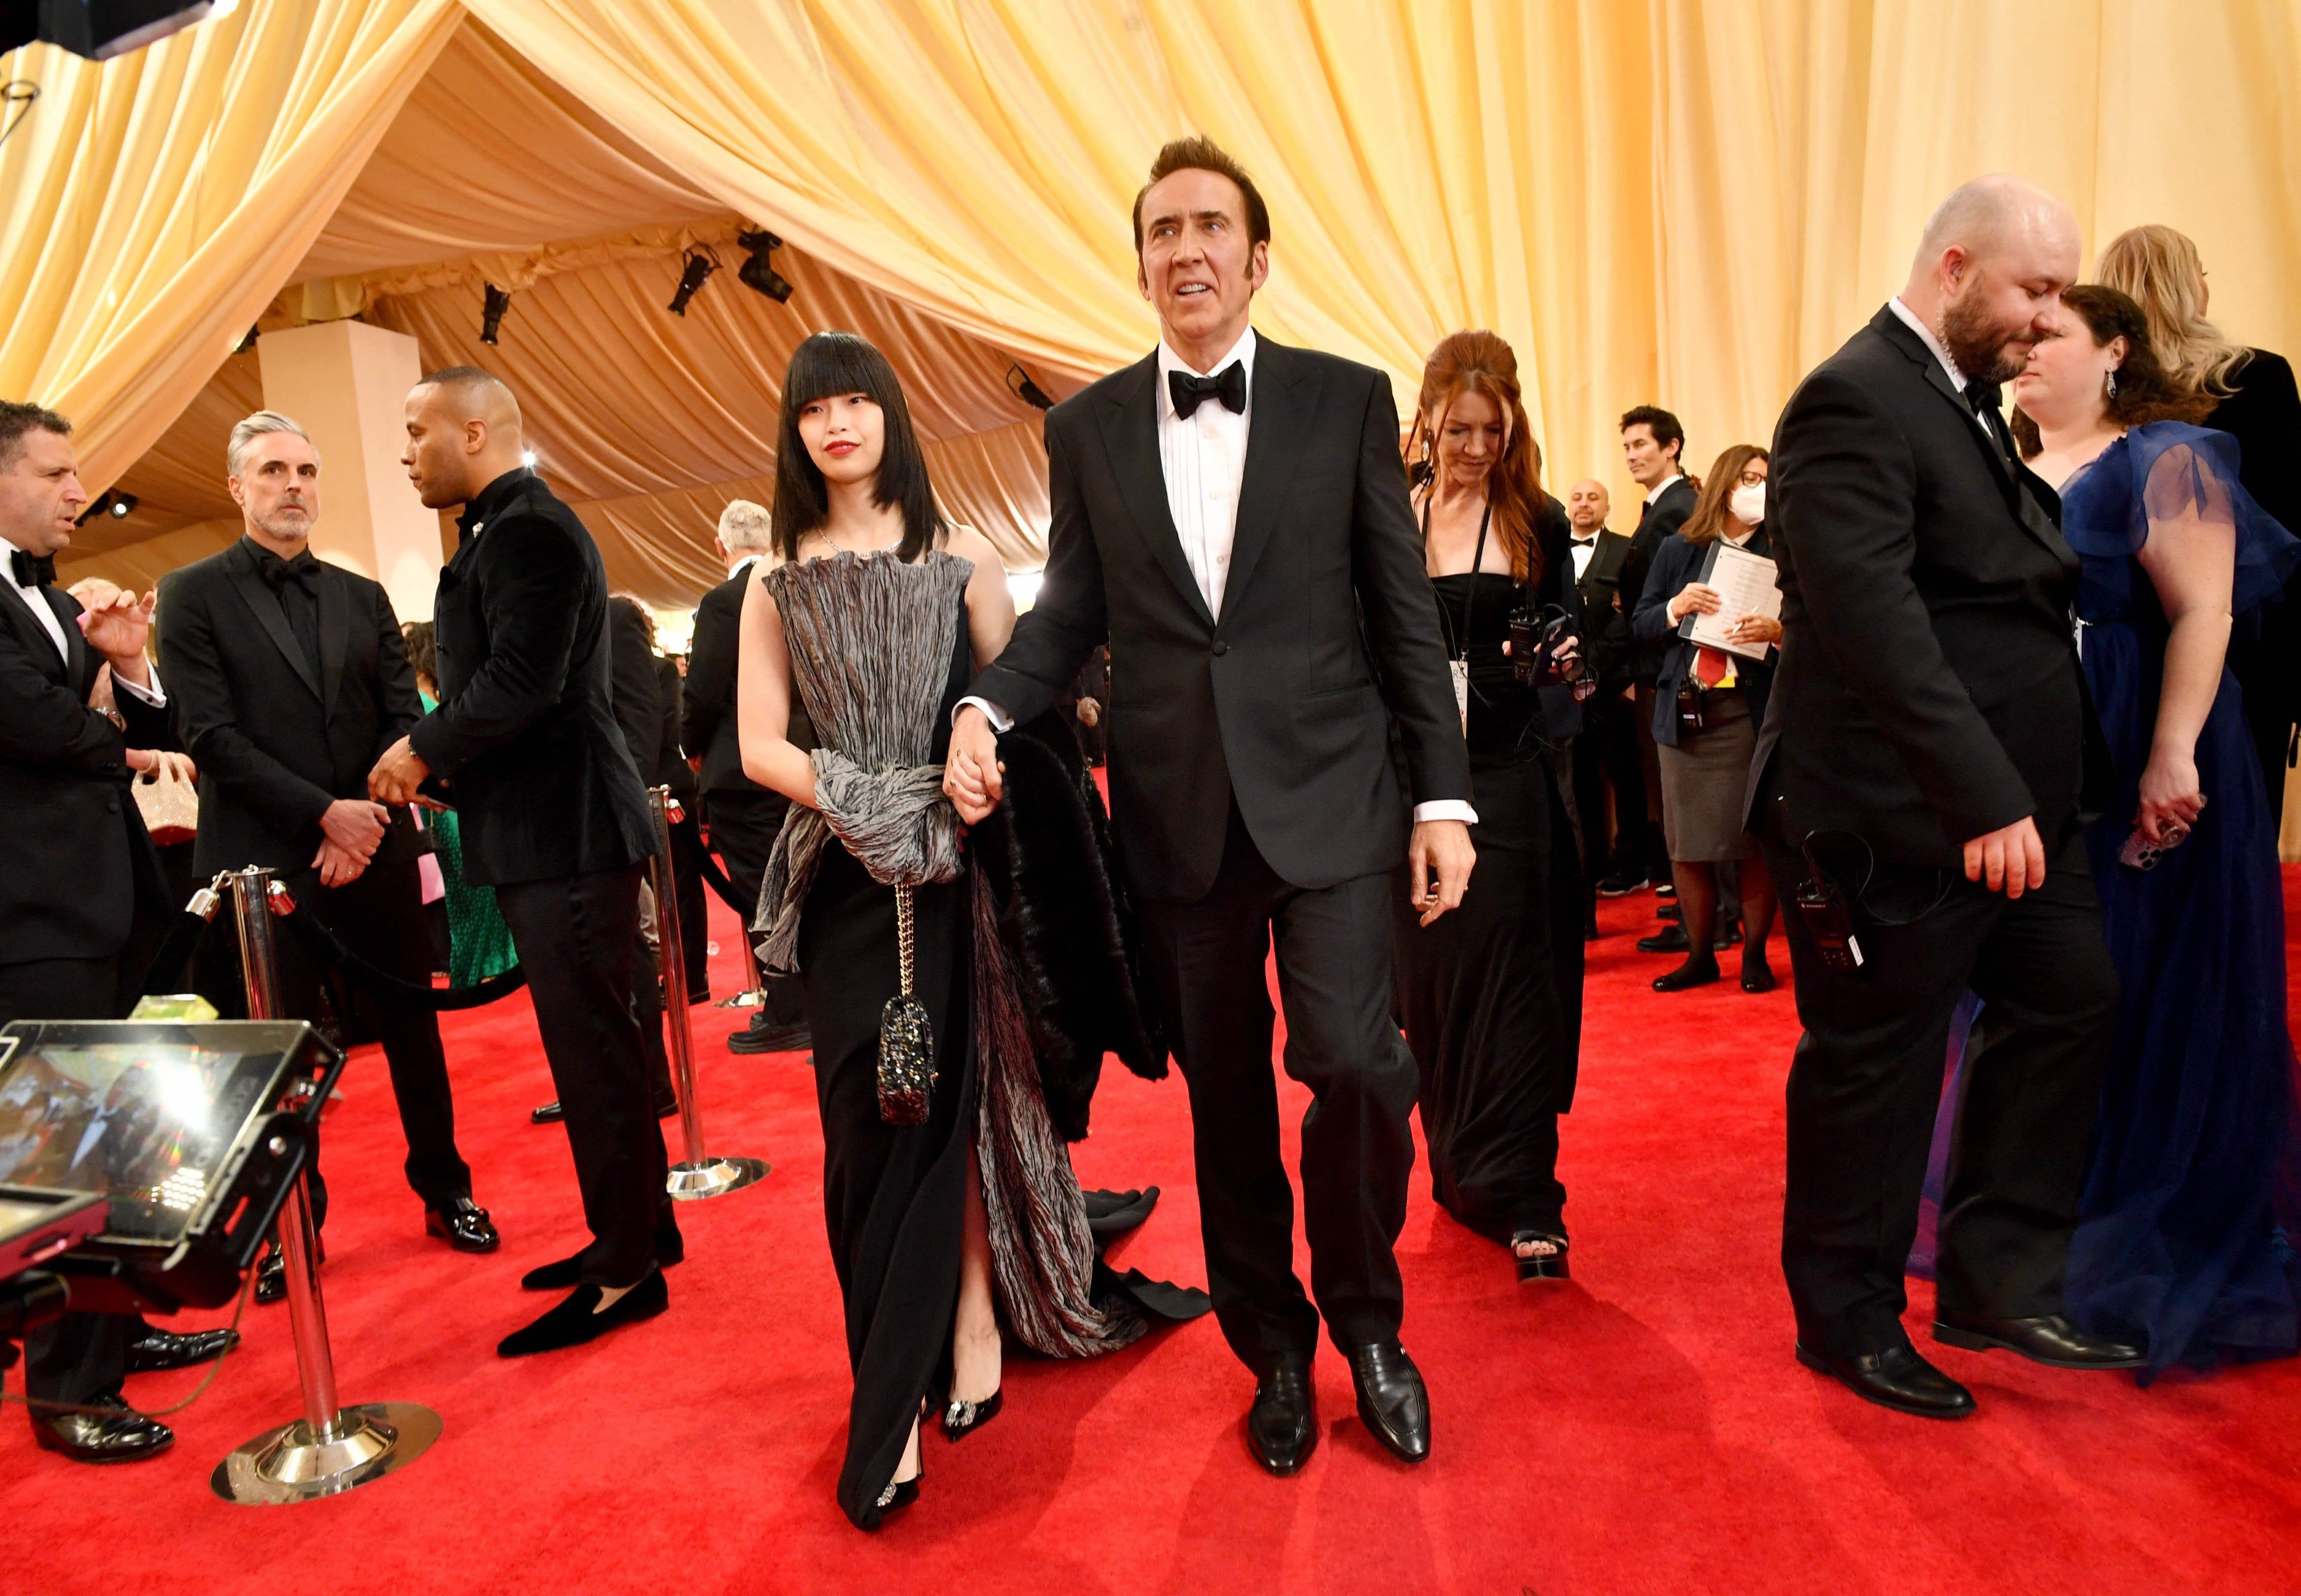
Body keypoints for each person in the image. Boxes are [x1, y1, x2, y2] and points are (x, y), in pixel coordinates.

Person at [946, 137, 1474, 1476]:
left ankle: (1368, 1325)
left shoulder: (1346, 401)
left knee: (1356, 1064)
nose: (1185, 248)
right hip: (1179, 817)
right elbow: (1069, 607)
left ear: (1256, 257)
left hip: (1335, 800)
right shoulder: (1085, 430)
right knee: (1225, 1099)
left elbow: (1401, 614)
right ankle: (1273, 1349)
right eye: (1162, 231)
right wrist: (986, 705)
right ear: (1140, 265)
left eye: (1209, 226)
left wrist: (1444, 797)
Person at [739, 331, 1199, 1530]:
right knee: (863, 1131)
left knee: (953, 1112)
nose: (838, 424)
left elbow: (1023, 702)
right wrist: (866, 801)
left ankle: (967, 1327)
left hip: (956, 877)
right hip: (842, 878)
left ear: (890, 415)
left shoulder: (962, 560)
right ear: (795, 431)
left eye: (857, 401)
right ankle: (893, 1371)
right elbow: (757, 744)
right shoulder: (773, 579)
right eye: (815, 409)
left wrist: (972, 761)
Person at [1753, 175, 2141, 1421]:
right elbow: (1873, 626)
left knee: (2069, 997)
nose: (2047, 318)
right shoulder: (1852, 397)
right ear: (1956, 268)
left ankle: (1994, 1282)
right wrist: (1980, 794)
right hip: (1899, 816)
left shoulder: (1959, 399)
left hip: (2021, 812)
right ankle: (1845, 1319)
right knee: (1875, 1066)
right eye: (2034, 290)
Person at [2009, 284, 2301, 1378]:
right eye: (2019, 336)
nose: (2025, 351)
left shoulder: (2167, 456)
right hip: (2040, 752)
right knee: (2052, 985)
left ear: (2115, 350)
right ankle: (2050, 1203)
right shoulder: (2006, 465)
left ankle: (2156, 1213)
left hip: (2142, 738)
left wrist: (2171, 753)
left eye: (2051, 335)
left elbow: (2204, 612)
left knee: (2154, 978)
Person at [371, 366, 677, 1360]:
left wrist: (422, 749)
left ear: (474, 431)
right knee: (599, 1048)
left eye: (416, 431)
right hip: (555, 828)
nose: (406, 453)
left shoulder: (528, 531)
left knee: (594, 1055)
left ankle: (626, 1268)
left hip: (570, 832)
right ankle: (638, 1233)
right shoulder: (506, 530)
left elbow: (520, 681)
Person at [156, 411, 498, 1283]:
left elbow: (400, 719)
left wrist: (361, 817)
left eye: (306, 470)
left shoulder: (361, 594)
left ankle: (447, 1187)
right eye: (274, 470)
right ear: (237, 485)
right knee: (277, 1055)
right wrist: (324, 817)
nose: (294, 485)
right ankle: (290, 1225)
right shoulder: (190, 593)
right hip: (260, 865)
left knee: (414, 1031)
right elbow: (210, 736)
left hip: (374, 843)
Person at [0, 401, 230, 1464]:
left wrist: (128, 669)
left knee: (115, 1138)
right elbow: (40, 725)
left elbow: (148, 734)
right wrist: (102, 725)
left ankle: (117, 1331)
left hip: (102, 902)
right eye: (56, 472)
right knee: (56, 1156)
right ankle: (67, 1390)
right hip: (26, 913)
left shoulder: (52, 601)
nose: (78, 491)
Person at [1391, 330, 1585, 1283]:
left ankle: (1530, 1194)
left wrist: (1562, 663)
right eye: (1459, 429)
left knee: (1516, 991)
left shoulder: (1536, 520)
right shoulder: (1391, 514)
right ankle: (1464, 1171)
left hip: (1508, 782)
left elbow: (1574, 663)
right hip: (1411, 788)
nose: (1475, 448)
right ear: (1428, 418)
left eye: (1492, 431)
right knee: (1435, 993)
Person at [2096, 224, 2301, 812]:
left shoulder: (2099, 389)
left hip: (2124, 641)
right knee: (2238, 818)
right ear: (2190, 288)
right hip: (2246, 641)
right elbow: (2290, 528)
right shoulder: (2257, 377)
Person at [1633, 445, 1781, 994]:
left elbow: (1813, 628)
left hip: (1747, 712)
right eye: (1748, 477)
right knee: (1687, 844)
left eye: (1765, 479)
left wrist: (1778, 633)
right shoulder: (1680, 548)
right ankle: (1700, 955)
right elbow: (1641, 622)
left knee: (1752, 843)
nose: (1757, 488)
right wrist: (1677, 607)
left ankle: (1755, 956)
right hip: (1687, 714)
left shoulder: (1781, 548)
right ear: (1724, 483)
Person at [683, 500, 810, 1053]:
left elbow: (704, 691)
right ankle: (811, 1002)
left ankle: (788, 1008)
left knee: (763, 891)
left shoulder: (722, 601)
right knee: (803, 885)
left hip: (742, 772)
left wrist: (691, 746)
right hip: (806, 764)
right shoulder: (800, 586)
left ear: (721, 547)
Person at [400, 620, 518, 986]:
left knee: (468, 891)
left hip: (447, 806)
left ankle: (480, 965)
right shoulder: (427, 702)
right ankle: (484, 965)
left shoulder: (425, 701)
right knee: (469, 890)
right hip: (446, 806)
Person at [1619, 406, 1698, 931]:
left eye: (1641, 444)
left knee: (1677, 800)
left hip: (1668, 669)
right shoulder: (1661, 507)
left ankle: (1702, 913)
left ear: (1672, 447)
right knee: (1665, 797)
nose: (1631, 456)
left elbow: (1672, 600)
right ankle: (1695, 906)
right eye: (1626, 447)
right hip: (1652, 667)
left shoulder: (1678, 508)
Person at [1565, 478, 1651, 915]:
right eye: (1577, 497)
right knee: (1580, 781)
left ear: (1607, 506)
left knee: (1626, 777)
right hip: (1566, 689)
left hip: (1616, 685)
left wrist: (1592, 666)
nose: (1584, 504)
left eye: (1593, 497)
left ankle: (1632, 864)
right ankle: (1591, 865)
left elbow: (1631, 615)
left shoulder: (1625, 549)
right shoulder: (1553, 548)